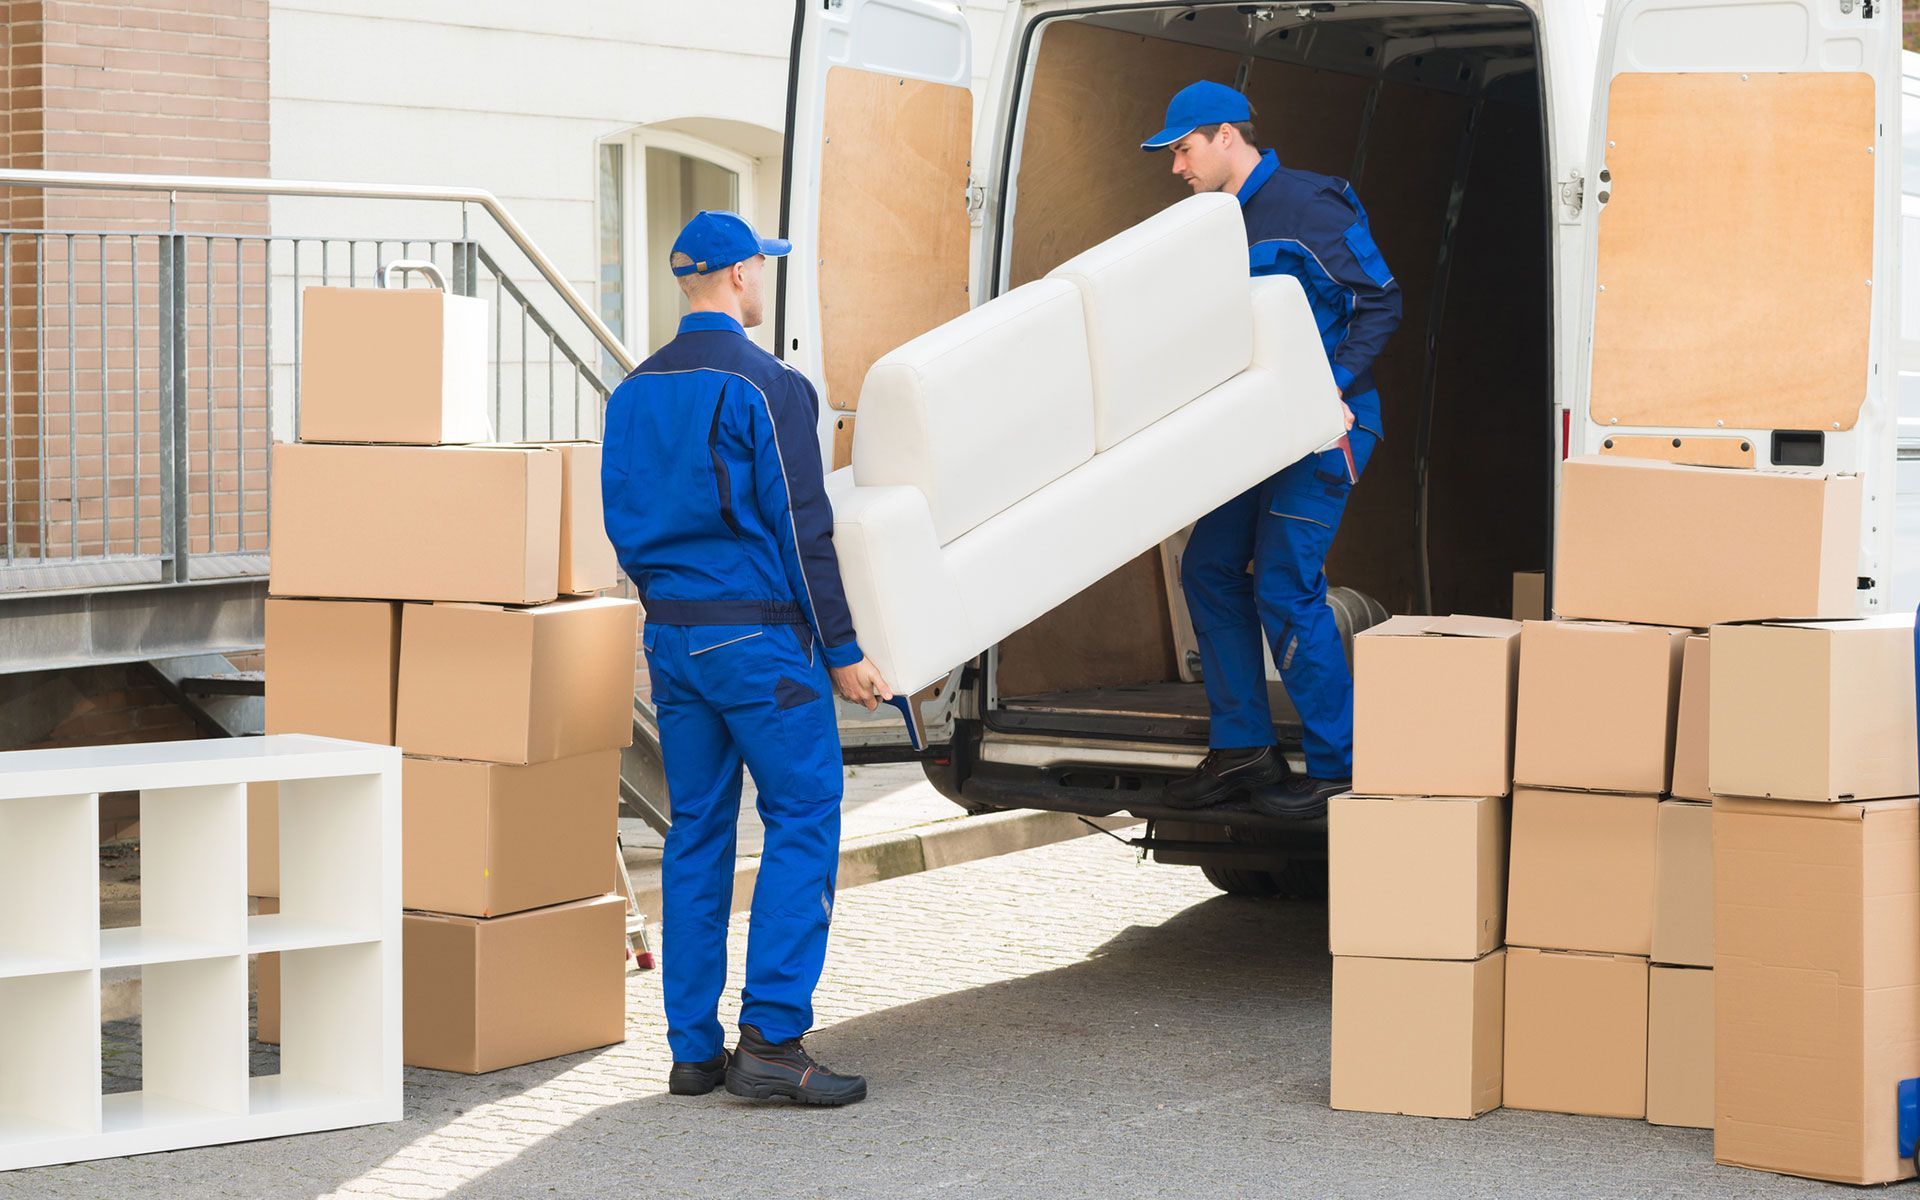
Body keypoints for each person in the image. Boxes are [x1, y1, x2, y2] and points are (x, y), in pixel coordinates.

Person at [601, 210, 892, 1106]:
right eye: (759, 268)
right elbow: (807, 531)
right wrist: (842, 650)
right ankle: (772, 1039)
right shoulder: (769, 386)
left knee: (698, 832)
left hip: (672, 640)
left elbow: (622, 524)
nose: (764, 280)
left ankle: (694, 1052)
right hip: (757, 640)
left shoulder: (633, 391)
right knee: (806, 811)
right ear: (736, 277)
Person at [1142, 81, 1402, 818]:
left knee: (1285, 585)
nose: (1176, 168)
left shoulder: (1307, 205)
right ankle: (1245, 751)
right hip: (1255, 435)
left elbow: (1381, 301)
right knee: (1209, 567)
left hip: (1326, 431)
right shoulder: (1208, 226)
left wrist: (1331, 389)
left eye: (1183, 150)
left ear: (1227, 137)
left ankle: (1339, 768)